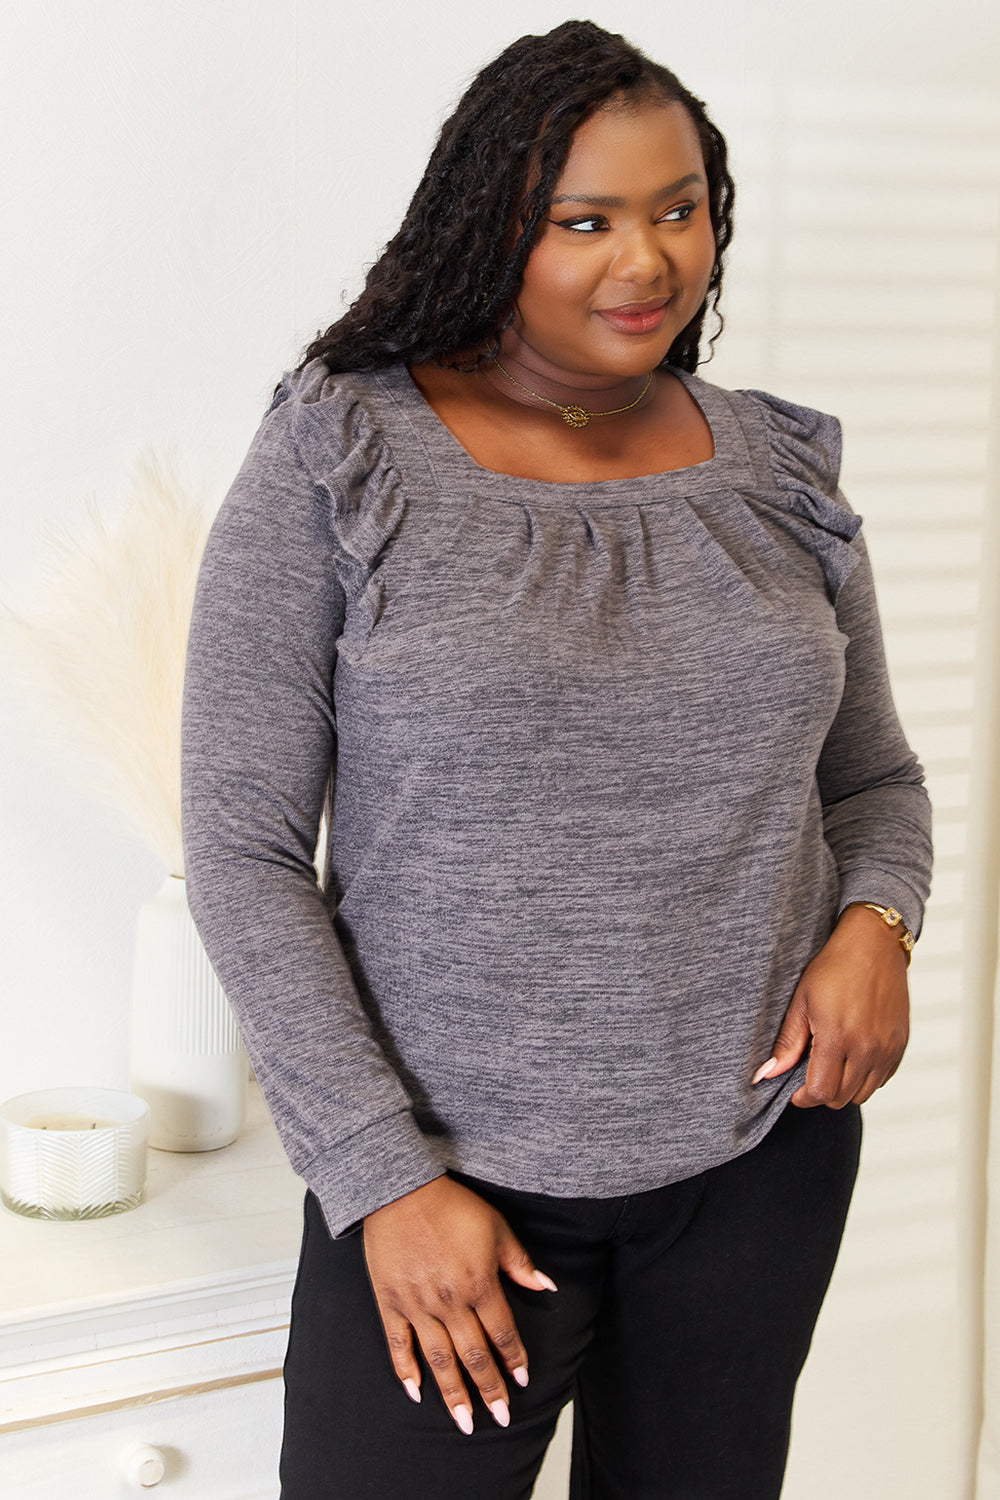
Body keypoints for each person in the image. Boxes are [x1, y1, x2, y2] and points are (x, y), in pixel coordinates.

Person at [181, 19, 933, 1500]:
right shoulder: (343, 456)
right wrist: (385, 1179)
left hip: (756, 1170)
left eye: (679, 207)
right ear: (489, 227)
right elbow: (245, 850)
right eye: (584, 220)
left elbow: (874, 783)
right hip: (446, 1193)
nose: (645, 260)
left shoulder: (775, 470)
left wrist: (880, 922)